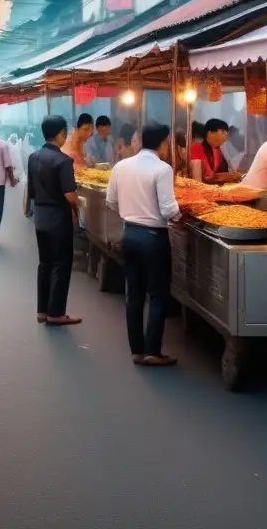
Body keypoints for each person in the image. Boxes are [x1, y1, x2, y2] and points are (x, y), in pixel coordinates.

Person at [107, 123, 181, 366]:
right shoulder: (162, 169)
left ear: (140, 140)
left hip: (130, 234)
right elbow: (168, 209)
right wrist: (180, 216)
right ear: (163, 143)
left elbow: (111, 201)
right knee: (158, 295)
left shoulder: (121, 166)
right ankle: (153, 350)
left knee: (134, 294)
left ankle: (136, 350)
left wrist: (131, 214)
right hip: (153, 238)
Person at [27, 115, 81, 325]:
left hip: (40, 216)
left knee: (45, 263)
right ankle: (56, 312)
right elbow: (70, 195)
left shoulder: (33, 156)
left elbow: (30, 189)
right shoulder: (63, 160)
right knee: (61, 264)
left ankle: (42, 310)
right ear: (61, 134)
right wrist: (78, 206)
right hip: (58, 217)